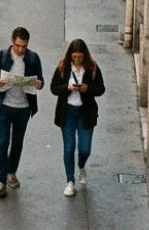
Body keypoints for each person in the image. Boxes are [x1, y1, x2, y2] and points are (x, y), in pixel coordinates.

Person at [0, 27, 45, 198]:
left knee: (17, 142)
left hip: (23, 108)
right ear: (12, 41)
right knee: (3, 142)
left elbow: (40, 79)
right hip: (4, 106)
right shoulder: (1, 56)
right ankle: (0, 181)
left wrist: (38, 84)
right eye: (18, 46)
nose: (21, 50)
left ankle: (11, 172)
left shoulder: (33, 58)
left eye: (24, 47)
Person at [49, 38, 106, 196]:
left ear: (85, 56)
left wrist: (88, 89)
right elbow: (54, 88)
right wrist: (67, 88)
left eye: (80, 57)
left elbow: (101, 89)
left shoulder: (92, 67)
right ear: (70, 55)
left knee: (85, 148)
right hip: (67, 112)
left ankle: (81, 166)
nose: (77, 60)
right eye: (74, 57)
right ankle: (69, 181)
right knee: (68, 148)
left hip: (85, 112)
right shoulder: (63, 67)